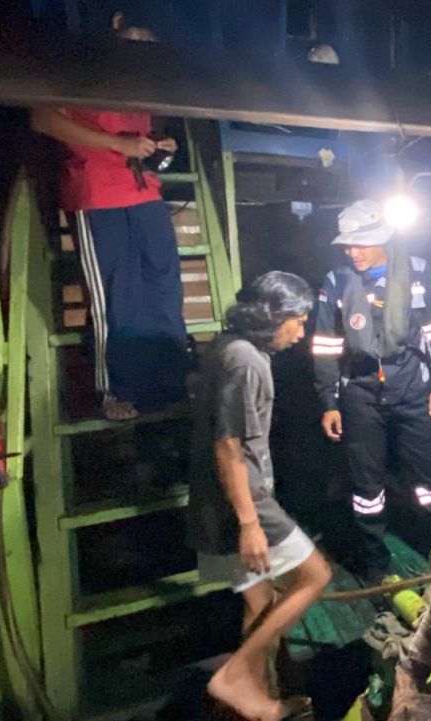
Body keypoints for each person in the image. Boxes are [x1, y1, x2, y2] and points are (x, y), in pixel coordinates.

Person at [187, 271, 331, 721]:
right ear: (274, 316)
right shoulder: (246, 361)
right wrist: (249, 523)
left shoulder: (226, 346)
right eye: (298, 322)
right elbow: (228, 446)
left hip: (214, 500)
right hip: (241, 500)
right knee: (315, 576)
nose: (301, 333)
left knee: (259, 601)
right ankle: (234, 677)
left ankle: (258, 701)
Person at [31, 10, 186, 421]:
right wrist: (118, 146)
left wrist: (157, 143)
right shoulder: (82, 67)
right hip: (97, 194)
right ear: (117, 22)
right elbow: (43, 118)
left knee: (165, 287)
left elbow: (138, 134)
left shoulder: (142, 74)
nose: (143, 46)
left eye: (150, 40)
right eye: (139, 35)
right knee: (118, 297)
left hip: (143, 191)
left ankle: (170, 381)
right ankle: (116, 391)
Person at [312, 199, 431, 582]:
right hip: (360, 393)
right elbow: (325, 345)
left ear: (381, 239)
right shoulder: (336, 281)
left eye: (360, 243)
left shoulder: (418, 272)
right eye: (347, 245)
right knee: (366, 487)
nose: (352, 252)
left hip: (411, 387)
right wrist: (329, 401)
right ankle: (375, 566)